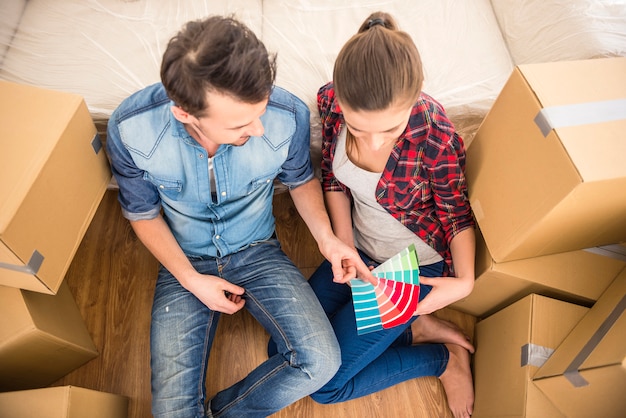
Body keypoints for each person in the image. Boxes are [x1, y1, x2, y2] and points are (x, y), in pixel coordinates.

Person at [106, 15, 373, 418]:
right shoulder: (131, 129)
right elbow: (142, 213)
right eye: (241, 123)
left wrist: (327, 238)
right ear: (185, 113)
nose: (261, 129)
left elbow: (300, 182)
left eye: (260, 111)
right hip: (185, 260)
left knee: (321, 361)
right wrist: (192, 280)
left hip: (257, 250)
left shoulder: (289, 115)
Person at [308, 11, 476, 418]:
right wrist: (344, 246)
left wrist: (465, 283)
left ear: (415, 99)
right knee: (290, 350)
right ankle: (411, 328)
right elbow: (333, 180)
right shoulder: (331, 100)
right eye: (359, 128)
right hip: (359, 250)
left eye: (390, 129)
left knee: (325, 387)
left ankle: (442, 359)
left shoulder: (436, 137)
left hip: (410, 266)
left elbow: (456, 216)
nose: (374, 141)